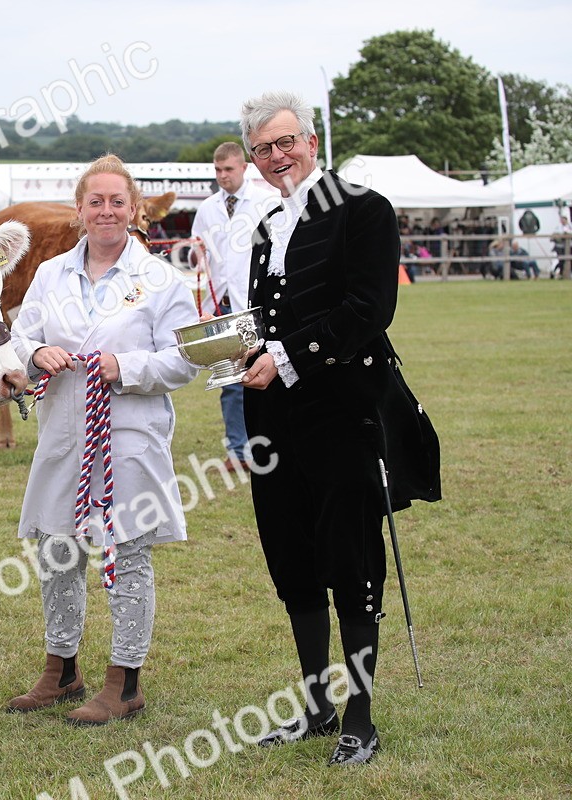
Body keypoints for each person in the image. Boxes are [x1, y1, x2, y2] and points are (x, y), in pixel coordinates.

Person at [237, 90, 440, 765]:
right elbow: (267, 321)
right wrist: (239, 351)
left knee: (350, 560)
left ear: (313, 141)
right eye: (263, 148)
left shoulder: (362, 209)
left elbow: (369, 309)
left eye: (286, 141)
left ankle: (361, 716)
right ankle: (316, 707)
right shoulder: (267, 228)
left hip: (343, 413)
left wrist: (286, 358)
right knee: (292, 559)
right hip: (276, 418)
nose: (277, 156)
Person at [6, 154, 200, 725]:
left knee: (126, 553)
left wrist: (125, 367)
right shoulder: (51, 275)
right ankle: (61, 668)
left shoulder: (162, 280)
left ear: (135, 209)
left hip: (129, 437)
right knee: (57, 548)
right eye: (97, 201)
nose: (107, 211)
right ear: (80, 210)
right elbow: (19, 336)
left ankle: (126, 679)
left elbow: (183, 360)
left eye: (118, 201)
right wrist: (36, 354)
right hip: (64, 432)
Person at [191, 141, 274, 471]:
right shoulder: (207, 208)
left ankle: (263, 443)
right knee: (230, 380)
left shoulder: (265, 202)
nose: (222, 176)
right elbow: (198, 252)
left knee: (263, 373)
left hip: (254, 304)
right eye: (217, 170)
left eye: (228, 169)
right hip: (221, 305)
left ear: (244, 168)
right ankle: (238, 450)